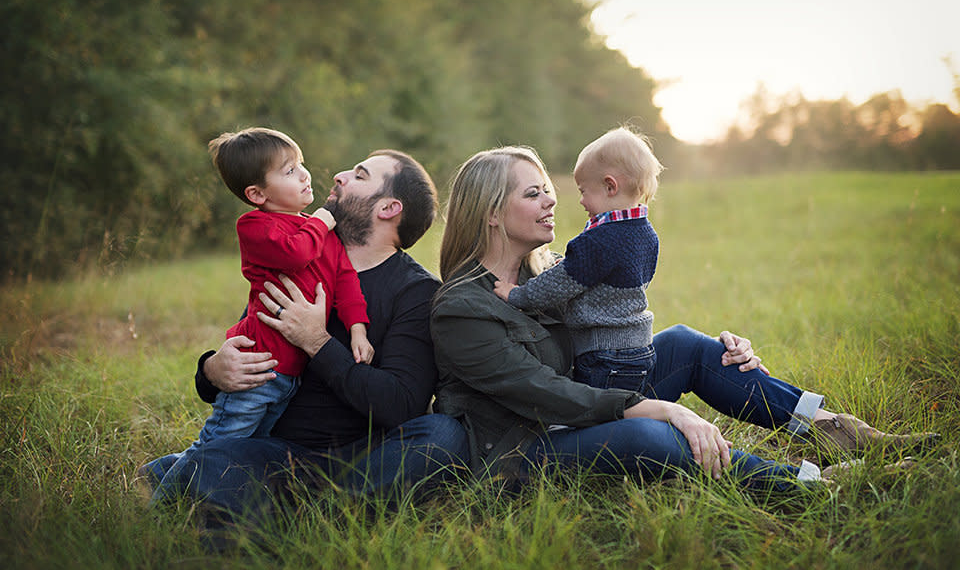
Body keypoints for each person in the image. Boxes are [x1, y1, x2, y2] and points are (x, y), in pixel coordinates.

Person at [431, 144, 937, 489]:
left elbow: (613, 337)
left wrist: (727, 354)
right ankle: (807, 485)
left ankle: (836, 430)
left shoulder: (549, 273)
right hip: (526, 451)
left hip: (582, 409)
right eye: (532, 193)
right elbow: (547, 393)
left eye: (548, 189)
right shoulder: (463, 307)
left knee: (688, 345)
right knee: (654, 434)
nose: (552, 200)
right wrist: (660, 408)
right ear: (491, 213)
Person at [139, 149, 468, 522]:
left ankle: (312, 511)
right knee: (216, 456)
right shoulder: (299, 257)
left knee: (443, 436)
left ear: (389, 208)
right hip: (277, 454)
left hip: (365, 457)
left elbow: (401, 405)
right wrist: (212, 370)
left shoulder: (416, 291)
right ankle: (290, 508)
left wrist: (317, 342)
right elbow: (249, 348)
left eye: (359, 176)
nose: (340, 175)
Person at [169, 128, 373, 465]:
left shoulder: (321, 233)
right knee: (217, 448)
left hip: (289, 376)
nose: (305, 174)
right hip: (255, 369)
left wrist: (357, 328)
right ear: (257, 194)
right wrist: (322, 221)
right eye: (290, 170)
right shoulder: (256, 227)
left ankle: (157, 476)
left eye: (301, 164)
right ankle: (160, 505)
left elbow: (346, 280)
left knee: (248, 452)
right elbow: (296, 254)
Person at [493, 127, 664, 392]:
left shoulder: (598, 240)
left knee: (600, 420)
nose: (582, 201)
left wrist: (516, 295)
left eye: (585, 191)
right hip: (640, 350)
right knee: (627, 405)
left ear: (610, 186)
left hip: (603, 354)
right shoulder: (647, 234)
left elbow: (557, 286)